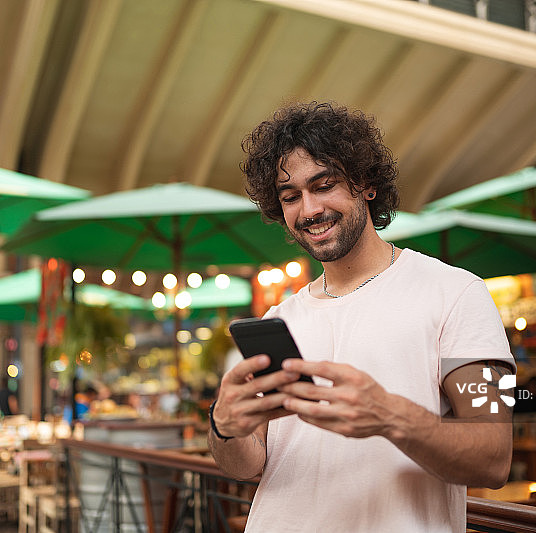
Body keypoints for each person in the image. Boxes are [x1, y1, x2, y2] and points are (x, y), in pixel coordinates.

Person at [208, 102, 516, 532]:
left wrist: (390, 416)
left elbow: (495, 456)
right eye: (291, 196)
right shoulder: (281, 318)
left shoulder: (459, 293)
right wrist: (224, 427)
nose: (309, 209)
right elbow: (247, 465)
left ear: (365, 183)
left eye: (324, 184)